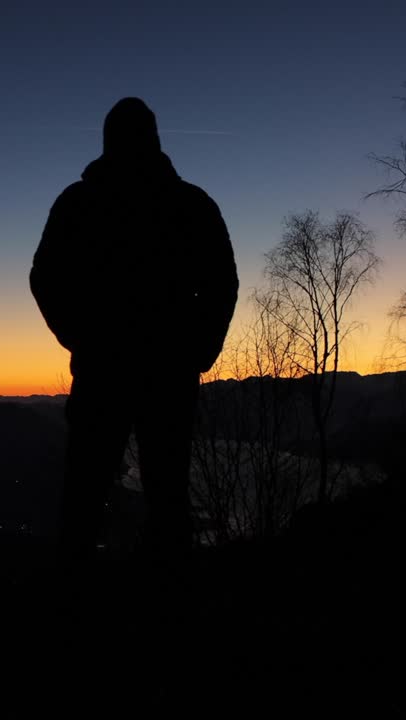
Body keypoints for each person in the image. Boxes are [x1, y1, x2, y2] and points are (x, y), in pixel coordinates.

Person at [30, 97, 238, 569]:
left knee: (87, 496)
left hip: (112, 370)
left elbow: (45, 277)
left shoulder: (80, 203)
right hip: (164, 373)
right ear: (156, 139)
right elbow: (222, 283)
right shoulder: (189, 204)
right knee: (162, 495)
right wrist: (198, 350)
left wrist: (80, 337)